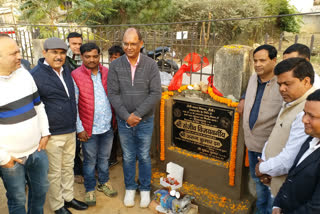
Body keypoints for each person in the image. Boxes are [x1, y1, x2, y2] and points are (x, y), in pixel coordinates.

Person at [31, 37, 88, 214]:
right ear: (45, 53)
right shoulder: (35, 76)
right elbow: (34, 108)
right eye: (54, 52)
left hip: (70, 130)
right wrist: (43, 133)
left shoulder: (66, 70)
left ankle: (68, 198)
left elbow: (71, 99)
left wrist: (77, 126)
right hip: (52, 134)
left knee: (67, 167)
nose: (59, 56)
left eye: (62, 53)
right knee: (54, 173)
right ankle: (57, 205)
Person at [107, 28, 161, 208]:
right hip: (124, 121)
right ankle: (130, 187)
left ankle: (145, 189)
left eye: (133, 44)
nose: (129, 47)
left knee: (144, 156)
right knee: (129, 156)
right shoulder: (115, 66)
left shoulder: (151, 65)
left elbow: (155, 93)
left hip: (145, 120)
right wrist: (125, 116)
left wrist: (137, 115)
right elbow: (113, 94)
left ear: (141, 44)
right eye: (126, 43)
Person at [0, 34, 50, 214]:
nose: (19, 56)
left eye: (19, 51)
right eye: (14, 53)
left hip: (37, 151)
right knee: (17, 199)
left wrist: (45, 133)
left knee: (40, 191)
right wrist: (3, 158)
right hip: (12, 159)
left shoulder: (24, 74)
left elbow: (39, 105)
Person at [255, 58, 315, 204]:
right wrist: (266, 166)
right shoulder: (292, 100)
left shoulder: (307, 112)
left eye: (287, 84)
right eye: (279, 84)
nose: (281, 89)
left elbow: (289, 159)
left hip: (286, 192)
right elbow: (276, 134)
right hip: (273, 178)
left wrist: (262, 167)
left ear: (306, 81)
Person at [238, 44, 282, 214]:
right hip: (252, 142)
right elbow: (248, 93)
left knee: (270, 188)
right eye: (255, 60)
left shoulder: (281, 84)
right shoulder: (253, 78)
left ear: (274, 60)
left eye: (262, 60)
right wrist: (243, 98)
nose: (257, 64)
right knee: (257, 183)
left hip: (270, 148)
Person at [72, 43, 117, 206]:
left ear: (99, 56)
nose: (92, 60)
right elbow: (74, 104)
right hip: (88, 129)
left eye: (95, 56)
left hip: (107, 126)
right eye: (87, 56)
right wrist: (80, 128)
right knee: (90, 161)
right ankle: (90, 189)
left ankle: (103, 182)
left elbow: (114, 95)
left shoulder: (107, 72)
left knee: (104, 159)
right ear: (81, 57)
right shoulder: (76, 75)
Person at [272, 89, 320, 214]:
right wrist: (277, 204)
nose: (304, 120)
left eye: (312, 116)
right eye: (305, 113)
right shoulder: (311, 138)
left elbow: (315, 208)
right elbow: (293, 174)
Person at [65, 32, 84, 184]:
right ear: (68, 44)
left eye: (79, 43)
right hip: (71, 102)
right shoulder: (64, 60)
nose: (77, 47)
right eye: (74, 44)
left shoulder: (85, 57)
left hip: (84, 102)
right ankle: (76, 170)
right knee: (75, 142)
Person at [108, 45, 125, 168]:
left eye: (116, 57)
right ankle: (112, 158)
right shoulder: (107, 72)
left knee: (125, 135)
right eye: (112, 57)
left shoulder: (126, 72)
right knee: (112, 134)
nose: (114, 60)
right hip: (111, 109)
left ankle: (127, 157)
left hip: (124, 109)